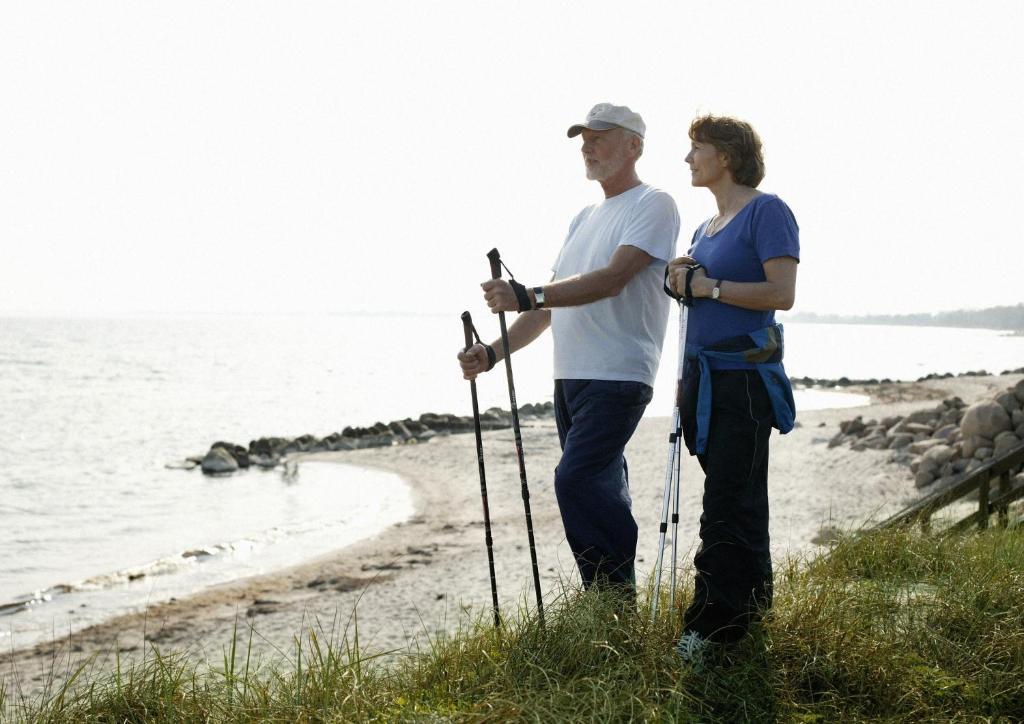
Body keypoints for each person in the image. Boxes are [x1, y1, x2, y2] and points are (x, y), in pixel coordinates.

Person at [458, 103, 680, 598]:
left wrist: (530, 293)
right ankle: (614, 605)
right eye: (584, 138)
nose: (588, 146)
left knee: (575, 480)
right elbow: (547, 307)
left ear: (633, 146)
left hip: (619, 375)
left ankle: (610, 602)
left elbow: (613, 279)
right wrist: (492, 353)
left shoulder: (654, 204)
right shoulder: (584, 216)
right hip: (570, 378)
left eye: (599, 137)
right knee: (600, 485)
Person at [665, 115, 799, 662]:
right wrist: (681, 277)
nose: (688, 159)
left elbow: (781, 293)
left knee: (723, 504)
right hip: (704, 380)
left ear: (726, 154)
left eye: (696, 149)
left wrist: (708, 286)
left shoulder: (767, 211)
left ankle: (710, 626)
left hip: (743, 381)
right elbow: (700, 290)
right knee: (742, 501)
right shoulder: (705, 228)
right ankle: (752, 611)